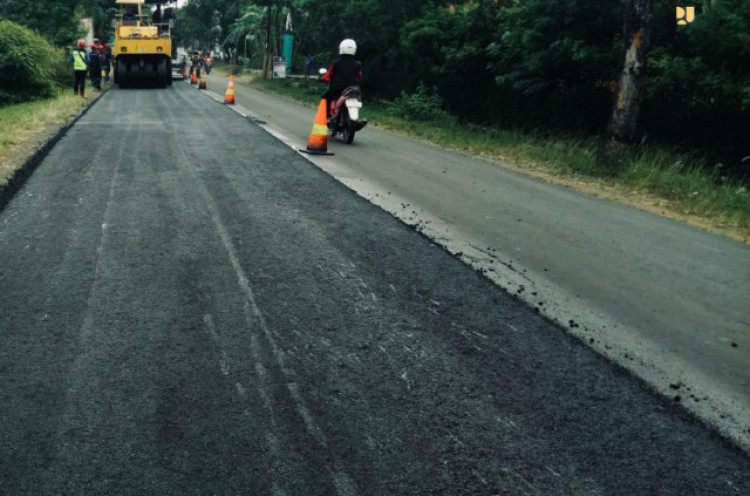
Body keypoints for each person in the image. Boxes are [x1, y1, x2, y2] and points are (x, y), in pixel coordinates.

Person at [321, 39, 363, 120]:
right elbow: (360, 76)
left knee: (325, 98)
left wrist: (324, 78)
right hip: (353, 89)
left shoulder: (335, 63)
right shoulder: (357, 64)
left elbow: (328, 75)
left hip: (337, 89)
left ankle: (327, 118)